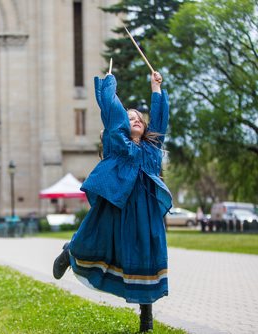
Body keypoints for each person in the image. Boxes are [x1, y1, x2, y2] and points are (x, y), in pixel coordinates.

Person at [53, 70, 172, 333]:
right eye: (129, 118)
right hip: (118, 206)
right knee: (92, 239)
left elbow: (161, 120)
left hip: (146, 215)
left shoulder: (152, 148)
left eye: (139, 118)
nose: (135, 120)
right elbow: (113, 114)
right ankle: (69, 252)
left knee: (148, 259)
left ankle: (146, 320)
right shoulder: (117, 143)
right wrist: (109, 86)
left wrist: (155, 88)